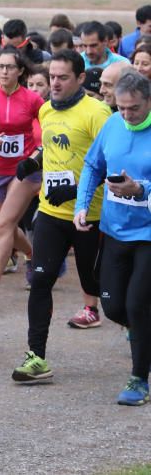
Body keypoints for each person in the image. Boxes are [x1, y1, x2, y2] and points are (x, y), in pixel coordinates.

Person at [10, 50, 111, 383]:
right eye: (51, 76)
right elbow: (53, 147)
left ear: (81, 78)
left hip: (90, 216)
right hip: (51, 213)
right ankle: (36, 356)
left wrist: (78, 191)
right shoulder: (46, 109)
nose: (54, 83)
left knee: (97, 286)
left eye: (62, 77)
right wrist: (33, 161)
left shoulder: (98, 113)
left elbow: (112, 164)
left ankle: (136, 328)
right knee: (41, 280)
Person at [74, 72, 151, 406]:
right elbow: (93, 166)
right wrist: (81, 204)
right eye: (120, 108)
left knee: (136, 304)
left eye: (133, 109)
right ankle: (142, 335)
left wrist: (140, 189)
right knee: (113, 306)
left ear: (148, 101)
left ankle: (138, 379)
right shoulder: (113, 125)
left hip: (148, 233)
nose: (126, 115)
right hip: (114, 229)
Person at [0, 47, 44, 299]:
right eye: (0, 67)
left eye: (9, 67)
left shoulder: (33, 100)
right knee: (8, 227)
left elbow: (47, 128)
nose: (3, 71)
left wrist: (37, 155)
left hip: (24, 172)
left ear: (20, 71)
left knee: (2, 225)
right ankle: (33, 256)